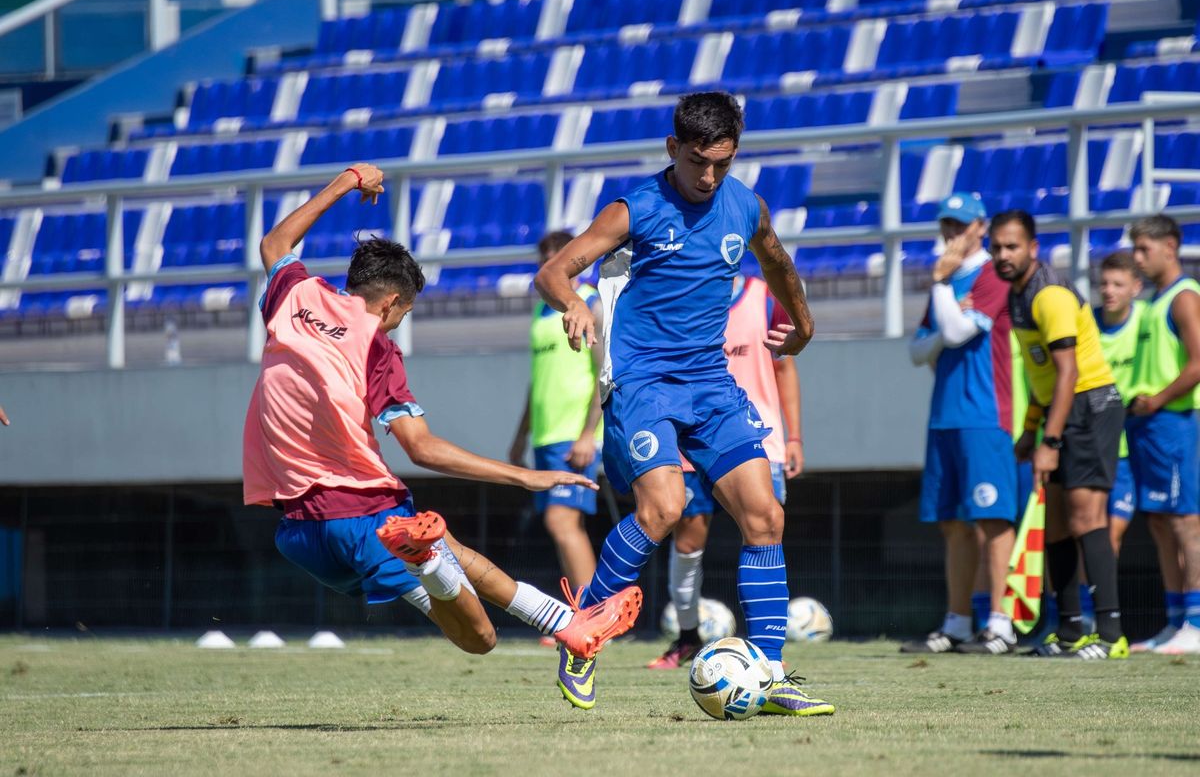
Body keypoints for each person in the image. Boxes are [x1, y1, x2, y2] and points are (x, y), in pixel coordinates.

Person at [242, 163, 642, 677]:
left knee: (450, 545)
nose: (399, 323)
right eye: (404, 314)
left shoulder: (293, 296)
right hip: (367, 516)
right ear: (390, 303)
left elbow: (275, 241)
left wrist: (346, 183)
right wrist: (523, 477)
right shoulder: (376, 347)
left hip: (295, 531)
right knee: (479, 638)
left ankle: (570, 624)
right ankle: (427, 560)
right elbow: (421, 448)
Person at [536, 91, 834, 716]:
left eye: (722, 163)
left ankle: (772, 671)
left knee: (765, 516)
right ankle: (581, 638)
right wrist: (574, 303)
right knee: (664, 509)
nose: (709, 176)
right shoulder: (634, 208)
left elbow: (777, 261)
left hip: (712, 382)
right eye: (698, 161)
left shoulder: (744, 204)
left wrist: (803, 326)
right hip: (642, 382)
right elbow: (556, 271)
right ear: (673, 148)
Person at [646, 273, 804, 669]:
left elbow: (784, 368)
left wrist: (795, 437)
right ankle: (686, 637)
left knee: (764, 530)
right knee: (687, 538)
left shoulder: (763, 296)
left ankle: (766, 653)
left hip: (757, 439)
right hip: (692, 438)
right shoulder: (681, 293)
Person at [990, 209, 1128, 659]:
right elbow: (1041, 374)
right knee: (1054, 527)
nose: (1003, 255)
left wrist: (1049, 443)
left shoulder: (1049, 295)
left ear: (1033, 248)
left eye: (1012, 246)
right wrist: (1031, 430)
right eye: (996, 247)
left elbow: (1067, 373)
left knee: (1088, 518)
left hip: (1089, 406)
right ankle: (1069, 631)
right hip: (1059, 409)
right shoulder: (1017, 294)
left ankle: (1111, 635)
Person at [903, 192, 1019, 655]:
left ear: (980, 228)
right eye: (947, 224)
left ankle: (1001, 622)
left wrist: (938, 284)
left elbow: (950, 334)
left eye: (961, 224)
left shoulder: (992, 273)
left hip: (985, 414)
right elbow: (917, 350)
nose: (952, 233)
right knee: (952, 523)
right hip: (945, 415)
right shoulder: (950, 281)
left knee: (992, 518)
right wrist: (944, 293)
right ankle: (957, 622)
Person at [509, 231, 604, 594]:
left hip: (574, 435)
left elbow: (603, 373)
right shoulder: (540, 310)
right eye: (544, 259)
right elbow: (539, 380)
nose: (548, 265)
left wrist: (587, 434)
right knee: (560, 527)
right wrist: (521, 435)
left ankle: (594, 615)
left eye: (555, 257)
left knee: (562, 522)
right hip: (546, 436)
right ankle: (585, 612)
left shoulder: (590, 302)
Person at [1125, 214, 1200, 655]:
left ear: (1169, 246)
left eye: (1144, 249)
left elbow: (1197, 364)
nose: (1137, 258)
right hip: (1148, 425)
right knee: (1158, 521)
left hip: (1173, 422)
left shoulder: (1184, 297)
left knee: (1185, 519)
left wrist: (1158, 399)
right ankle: (1174, 623)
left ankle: (1195, 620)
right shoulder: (1155, 299)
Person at [1094, 251, 1146, 555]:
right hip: (1095, 447)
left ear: (1135, 288)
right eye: (1104, 283)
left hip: (1133, 446)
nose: (1109, 291)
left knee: (1114, 535)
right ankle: (1090, 604)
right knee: (1090, 532)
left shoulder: (1147, 319)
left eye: (1118, 284)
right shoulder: (1086, 324)